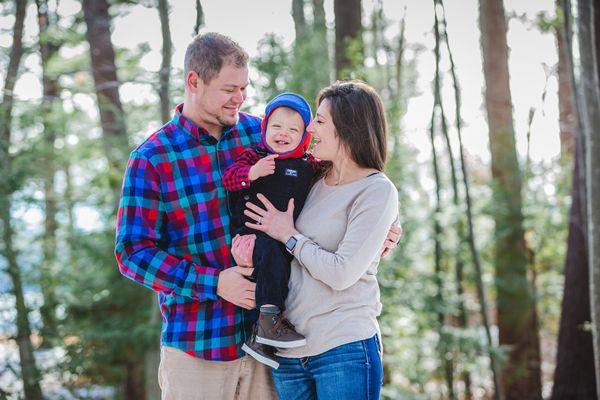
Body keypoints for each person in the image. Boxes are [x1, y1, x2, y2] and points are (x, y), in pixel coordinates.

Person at [115, 32, 400, 399]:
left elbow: (337, 184)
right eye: (229, 89)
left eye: (245, 88)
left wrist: (383, 229)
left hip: (273, 347)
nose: (241, 98)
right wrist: (214, 283)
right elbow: (132, 254)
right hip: (199, 343)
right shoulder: (152, 158)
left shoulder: (265, 135)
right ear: (193, 81)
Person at [236, 80, 398, 400]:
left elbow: (341, 273)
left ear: (349, 129)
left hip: (344, 349)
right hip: (291, 355)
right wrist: (249, 251)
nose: (309, 128)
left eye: (320, 121)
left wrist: (289, 235)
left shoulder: (375, 190)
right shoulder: (311, 179)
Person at [223, 93, 323, 368]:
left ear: (304, 135)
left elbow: (340, 173)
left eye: (293, 129)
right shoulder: (255, 156)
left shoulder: (309, 163)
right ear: (265, 127)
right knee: (273, 262)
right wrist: (252, 173)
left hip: (283, 237)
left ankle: (261, 340)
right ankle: (268, 320)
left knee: (283, 270)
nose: (283, 134)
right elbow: (230, 178)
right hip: (253, 236)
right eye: (276, 126)